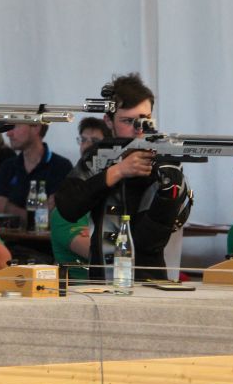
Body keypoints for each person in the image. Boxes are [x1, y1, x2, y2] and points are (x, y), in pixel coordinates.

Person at [55, 73, 192, 281]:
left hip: (148, 278)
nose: (139, 129)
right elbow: (67, 206)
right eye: (128, 121)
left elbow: (150, 241)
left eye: (145, 119)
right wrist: (117, 172)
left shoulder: (165, 159)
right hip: (102, 277)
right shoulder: (99, 155)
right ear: (108, 121)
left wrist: (167, 187)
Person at [50, 117, 111, 282]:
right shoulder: (66, 208)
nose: (86, 146)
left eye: (95, 141)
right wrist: (103, 237)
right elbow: (104, 254)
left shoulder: (115, 197)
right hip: (80, 290)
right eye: (83, 140)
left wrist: (97, 235)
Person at [0, 123, 73, 226]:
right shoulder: (7, 166)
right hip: (8, 236)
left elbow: (55, 218)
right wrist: (40, 213)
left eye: (15, 126)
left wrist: (8, 207)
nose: (8, 133)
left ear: (36, 127)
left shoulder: (61, 167)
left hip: (44, 237)